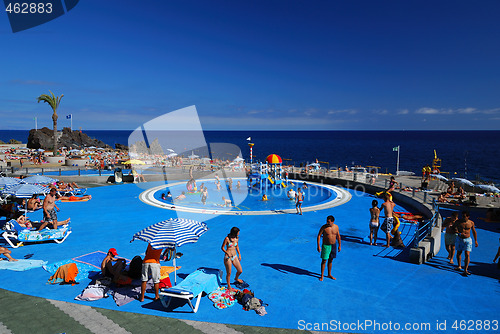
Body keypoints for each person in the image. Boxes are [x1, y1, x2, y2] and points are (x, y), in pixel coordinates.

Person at [317, 215, 341, 281]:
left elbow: (338, 236)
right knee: (324, 260)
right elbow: (319, 236)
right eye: (327, 221)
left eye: (329, 222)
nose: (327, 223)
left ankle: (329, 274)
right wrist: (318, 246)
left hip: (333, 245)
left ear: (333, 221)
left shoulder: (336, 227)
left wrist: (339, 245)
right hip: (326, 246)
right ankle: (322, 275)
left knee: (331, 260)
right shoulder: (324, 227)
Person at [454, 211, 478, 276]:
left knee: (467, 254)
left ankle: (465, 270)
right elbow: (454, 229)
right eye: (462, 216)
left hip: (468, 239)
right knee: (459, 252)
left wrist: (476, 240)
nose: (463, 218)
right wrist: (458, 232)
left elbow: (474, 231)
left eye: (464, 216)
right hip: (459, 239)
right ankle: (459, 266)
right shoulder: (458, 222)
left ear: (468, 217)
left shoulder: (471, 223)